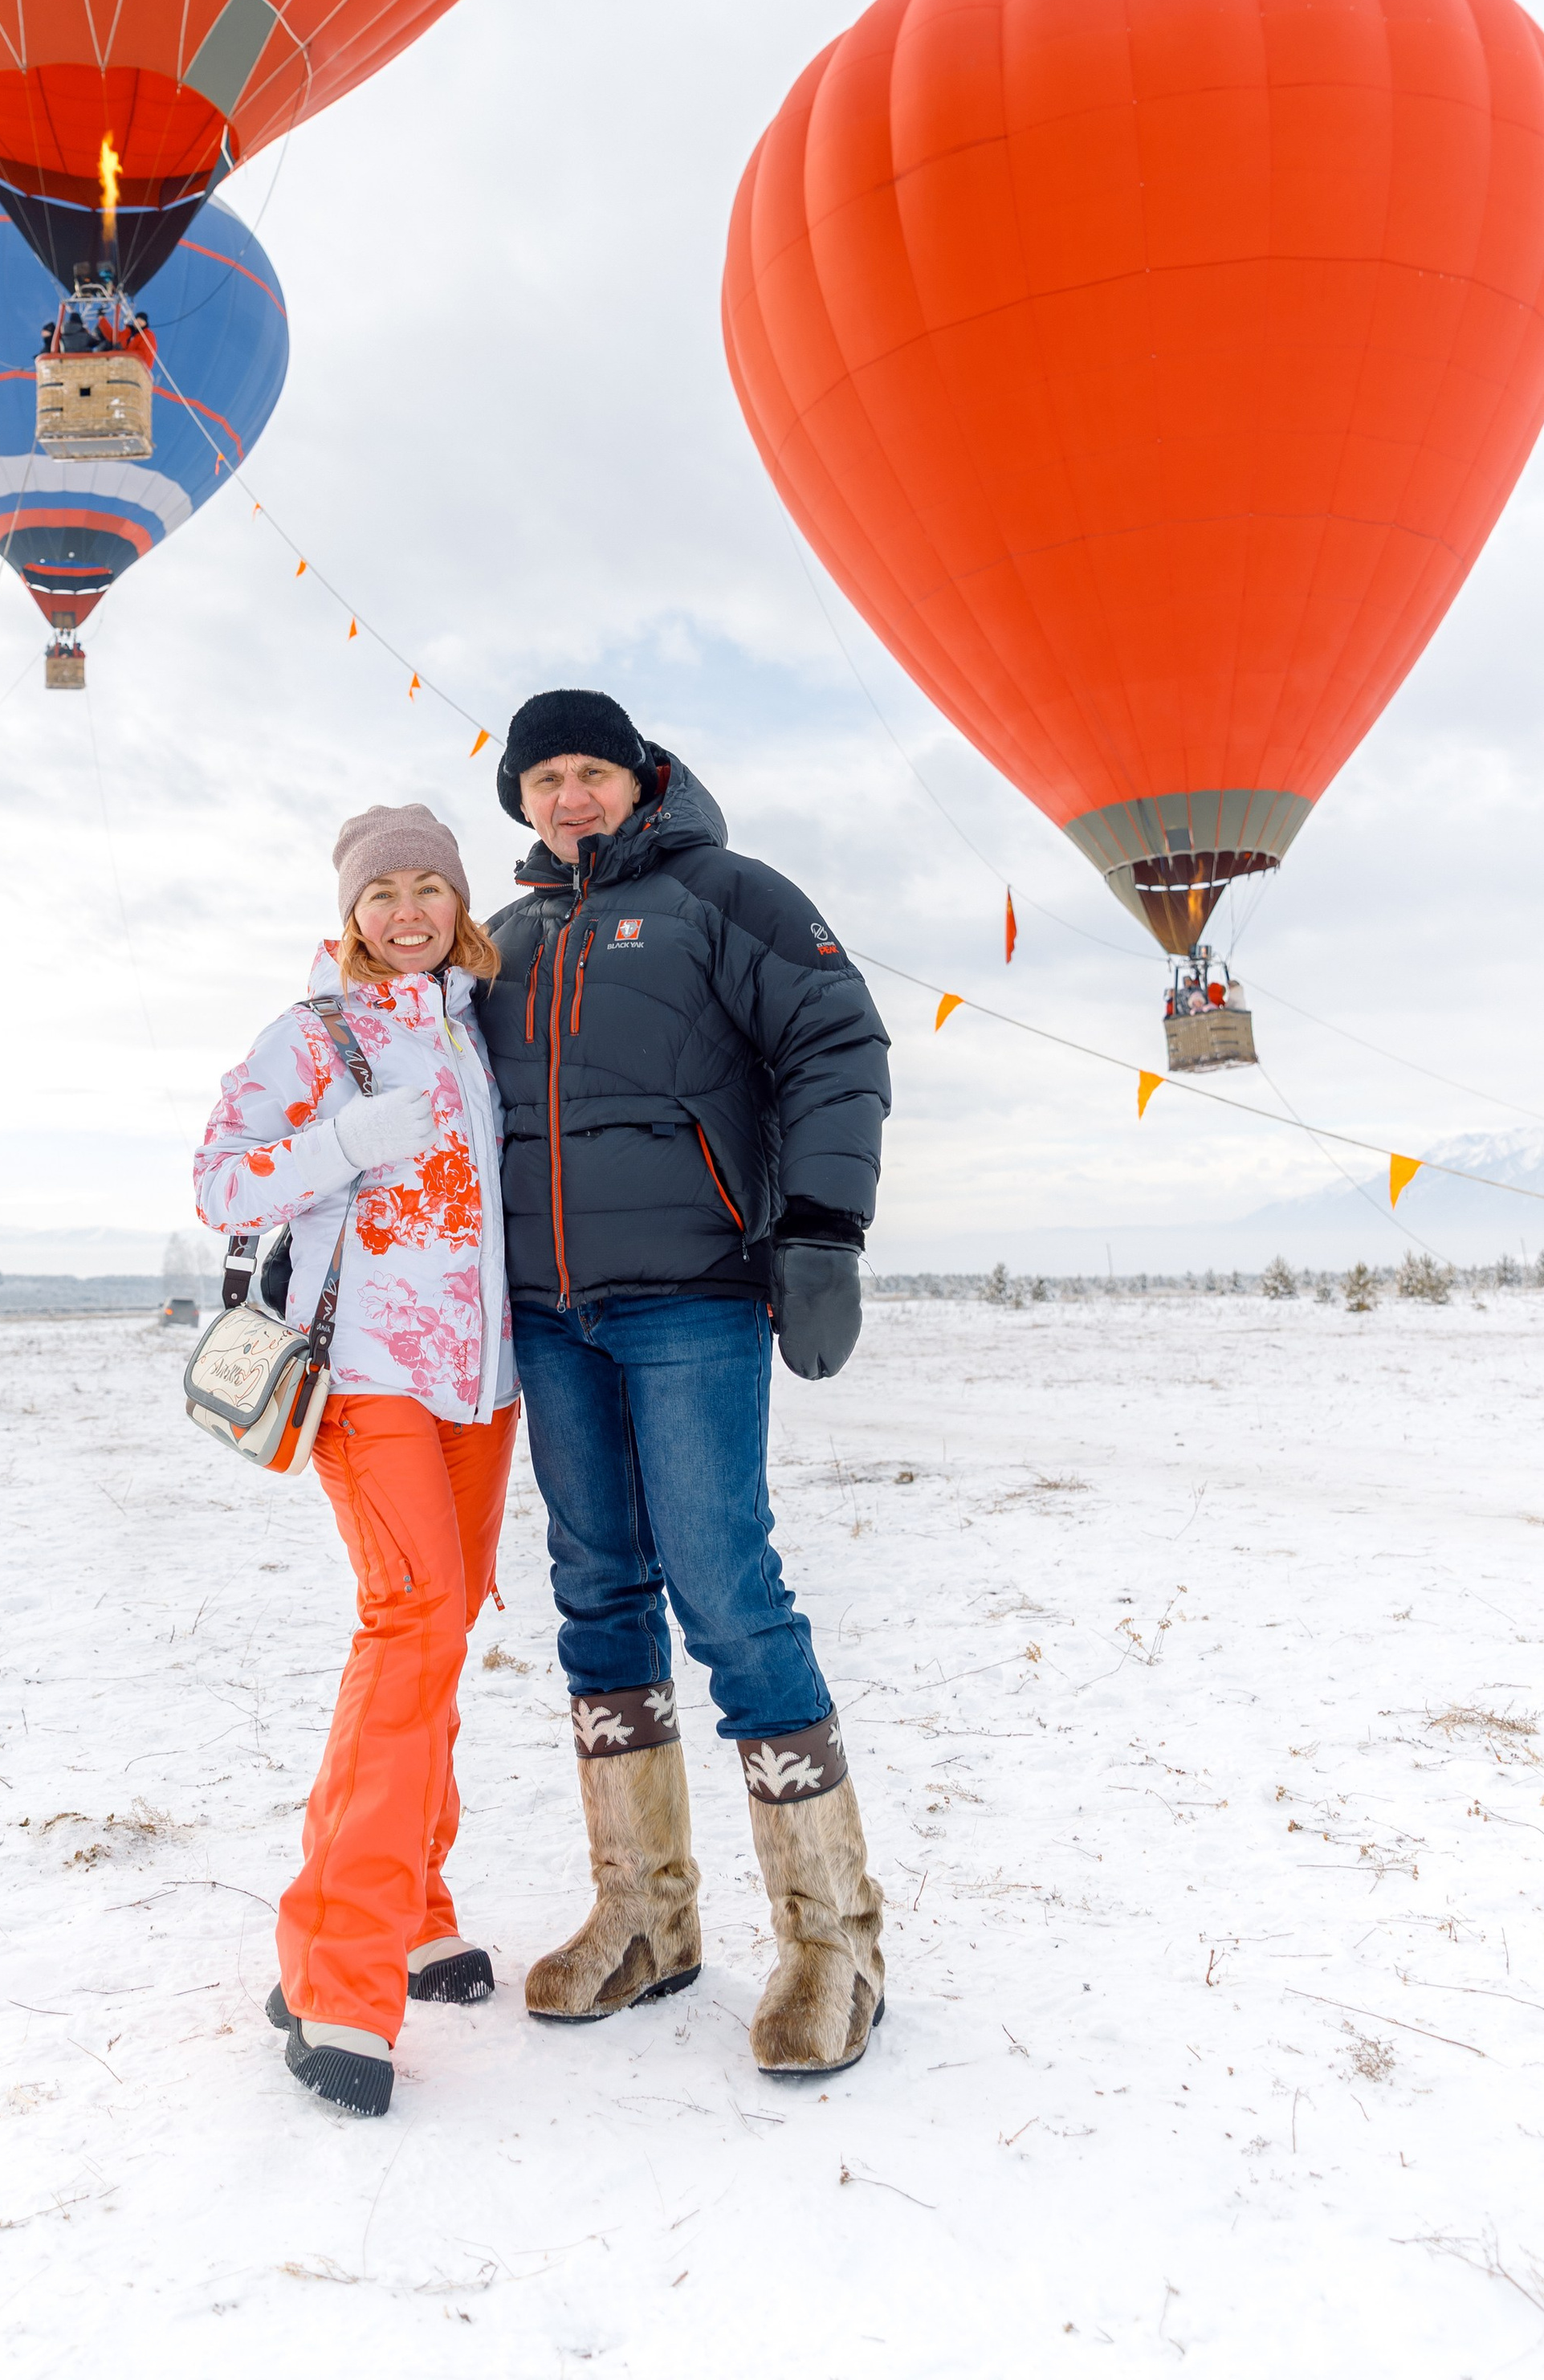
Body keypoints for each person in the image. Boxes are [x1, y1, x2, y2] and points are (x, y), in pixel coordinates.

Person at [475, 690, 894, 2080]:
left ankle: (834, 1943)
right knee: (594, 1593)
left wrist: (822, 1228)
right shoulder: (509, 939)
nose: (570, 797)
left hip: (694, 1301)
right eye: (546, 779)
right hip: (549, 1316)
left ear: (639, 776)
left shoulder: (732, 895)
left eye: (590, 770)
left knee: (726, 1588)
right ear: (522, 801)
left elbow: (837, 1041)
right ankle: (644, 1917)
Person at [194, 802, 517, 2119]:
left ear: (457, 904)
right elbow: (220, 1182)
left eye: (427, 887)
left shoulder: (475, 1024)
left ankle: (416, 1906)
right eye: (380, 892)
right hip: (369, 1379)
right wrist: (341, 1145)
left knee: (442, 1636)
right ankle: (336, 1971)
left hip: (480, 1387)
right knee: (411, 1623)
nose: (405, 912)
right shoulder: (312, 1033)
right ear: (349, 912)